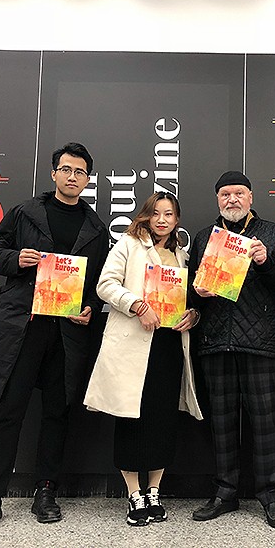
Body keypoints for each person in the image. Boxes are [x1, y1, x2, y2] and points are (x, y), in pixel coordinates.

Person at [0, 142, 109, 533]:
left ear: (87, 179)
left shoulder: (96, 228)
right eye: (66, 169)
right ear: (53, 173)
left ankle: (46, 491)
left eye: (79, 172)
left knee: (57, 413)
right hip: (25, 326)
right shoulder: (25, 212)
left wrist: (88, 308)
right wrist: (16, 259)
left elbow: (98, 282)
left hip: (66, 332)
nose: (72, 177)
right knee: (9, 411)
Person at [83, 191, 202, 526]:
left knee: (163, 419)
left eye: (169, 214)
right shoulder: (128, 245)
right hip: (134, 345)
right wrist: (137, 305)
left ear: (177, 220)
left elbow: (189, 300)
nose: (162, 220)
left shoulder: (182, 255)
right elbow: (105, 285)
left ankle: (154, 491)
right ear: (146, 216)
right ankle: (134, 494)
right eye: (156, 213)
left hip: (169, 346)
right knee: (131, 418)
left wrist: (193, 315)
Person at [188, 171, 275, 529]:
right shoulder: (204, 237)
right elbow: (189, 292)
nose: (232, 199)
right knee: (221, 422)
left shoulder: (272, 233)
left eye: (239, 193)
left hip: (261, 341)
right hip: (216, 340)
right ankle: (225, 492)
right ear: (217, 199)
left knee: (266, 423)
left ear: (251, 197)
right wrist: (196, 293)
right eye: (225, 194)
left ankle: (271, 495)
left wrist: (266, 262)